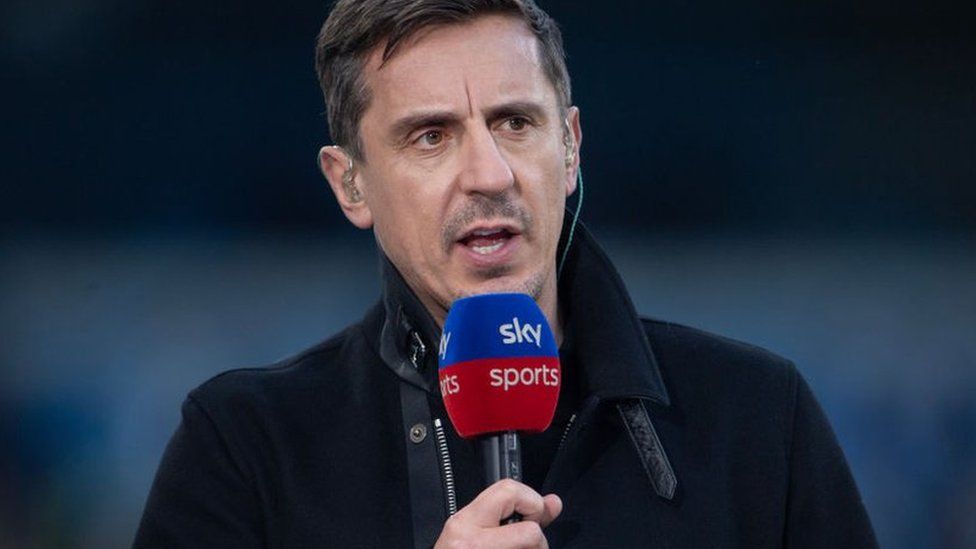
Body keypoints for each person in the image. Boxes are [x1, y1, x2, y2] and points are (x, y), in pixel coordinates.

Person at [134, 1, 878, 547]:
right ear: (350, 183)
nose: (488, 173)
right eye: (431, 136)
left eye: (515, 123)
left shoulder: (756, 419)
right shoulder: (244, 448)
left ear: (572, 145)